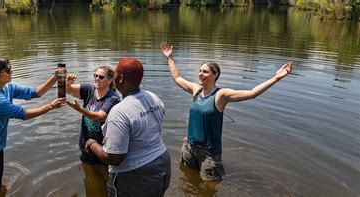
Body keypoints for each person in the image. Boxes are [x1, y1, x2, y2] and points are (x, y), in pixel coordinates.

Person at [160, 42, 293, 181]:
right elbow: (177, 78)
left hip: (209, 153)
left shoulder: (221, 95)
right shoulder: (196, 90)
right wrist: (169, 58)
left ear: (215, 74)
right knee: (189, 179)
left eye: (205, 71)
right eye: (200, 71)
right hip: (189, 147)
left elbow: (251, 93)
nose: (200, 74)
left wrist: (276, 78)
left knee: (210, 187)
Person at [0, 56, 67, 196]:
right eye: (6, 70)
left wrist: (55, 78)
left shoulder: (8, 87)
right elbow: (23, 114)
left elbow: (35, 93)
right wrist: (51, 106)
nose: (11, 71)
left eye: (10, 68)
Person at [85, 58, 171, 197]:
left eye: (115, 74)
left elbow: (114, 158)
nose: (114, 77)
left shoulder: (119, 111)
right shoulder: (153, 97)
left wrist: (92, 144)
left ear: (121, 78)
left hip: (136, 174)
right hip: (163, 163)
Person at [65, 66, 120, 196]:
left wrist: (80, 110)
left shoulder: (113, 98)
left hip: (103, 149)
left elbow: (99, 116)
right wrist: (66, 83)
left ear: (110, 80)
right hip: (85, 144)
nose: (96, 79)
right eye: (95, 75)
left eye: (101, 77)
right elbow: (67, 91)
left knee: (105, 181)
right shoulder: (89, 89)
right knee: (90, 180)